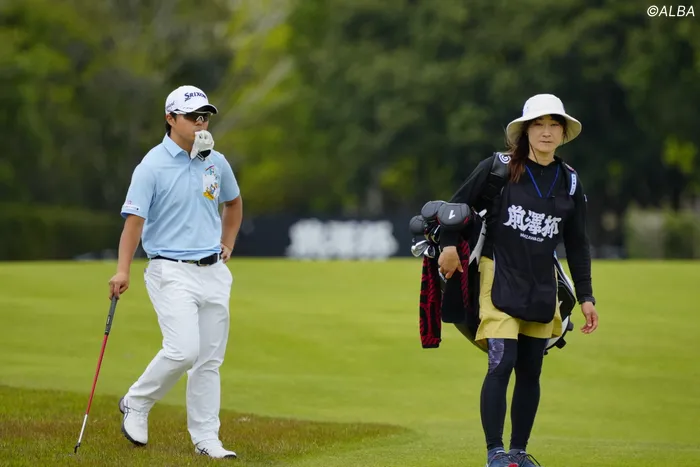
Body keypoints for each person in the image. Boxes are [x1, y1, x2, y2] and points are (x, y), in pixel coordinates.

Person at [437, 94, 599, 467]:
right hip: (498, 273)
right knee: (501, 361)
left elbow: (577, 243)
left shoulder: (570, 181)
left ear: (563, 133)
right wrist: (448, 246)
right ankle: (495, 453)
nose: (546, 132)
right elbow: (456, 206)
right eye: (538, 124)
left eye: (554, 125)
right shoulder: (499, 167)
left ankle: (518, 452)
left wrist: (586, 296)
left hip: (542, 282)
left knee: (531, 370)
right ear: (525, 131)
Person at [108, 85, 243, 459]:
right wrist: (122, 270)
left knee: (208, 362)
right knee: (183, 351)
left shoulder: (216, 161)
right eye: (192, 116)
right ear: (170, 118)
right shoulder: (151, 166)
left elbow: (233, 203)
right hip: (170, 269)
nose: (201, 123)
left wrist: (227, 241)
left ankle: (206, 438)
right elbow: (134, 224)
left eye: (205, 116)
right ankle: (137, 402)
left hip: (213, 271)